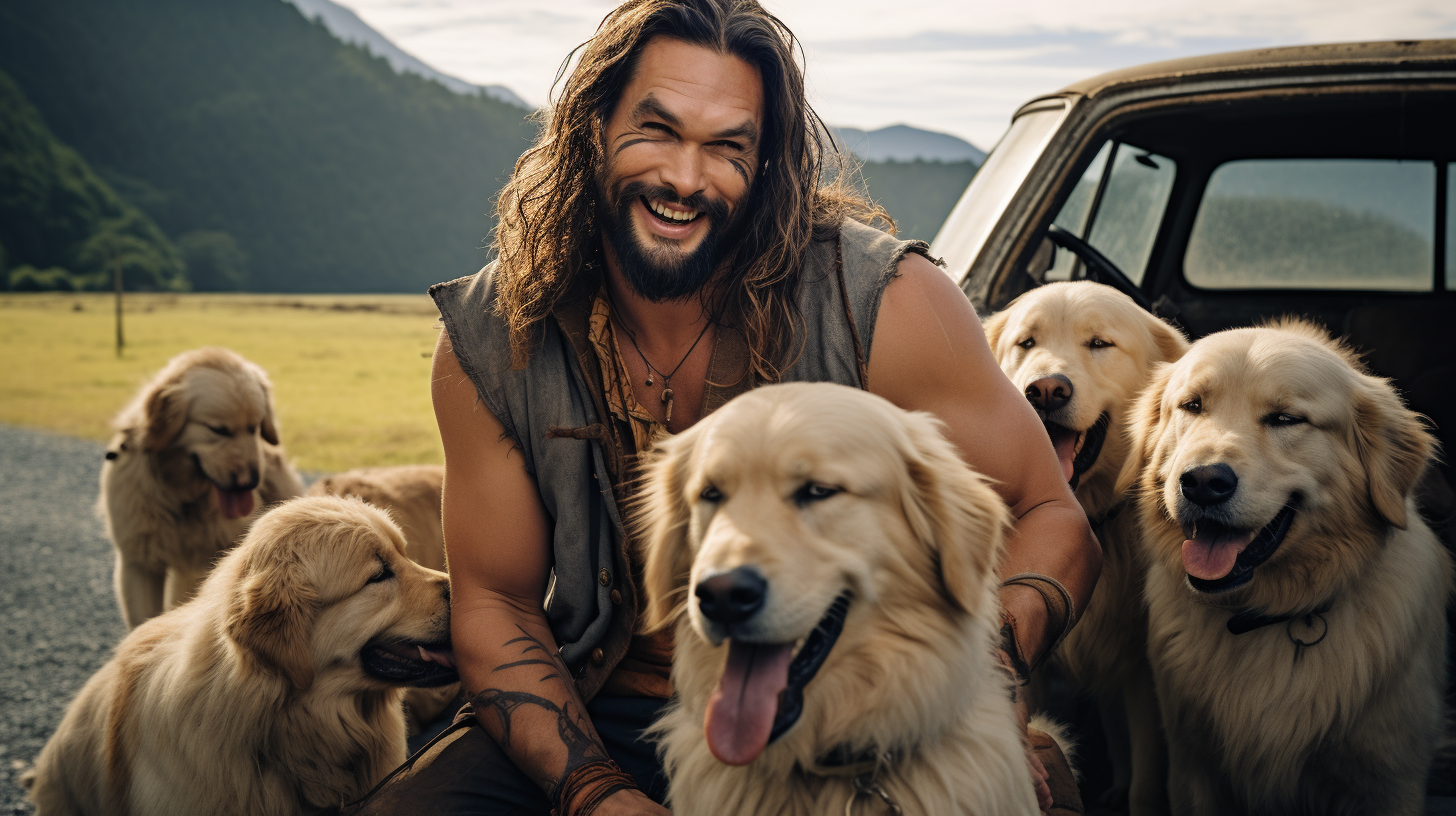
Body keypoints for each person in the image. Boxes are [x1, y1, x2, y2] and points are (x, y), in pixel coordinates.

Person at [348, 1, 1099, 814]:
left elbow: (1046, 511)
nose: (684, 178)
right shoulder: (492, 337)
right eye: (658, 130)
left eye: (726, 147)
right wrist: (596, 794)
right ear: (592, 127)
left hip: (854, 700)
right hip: (596, 704)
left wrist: (984, 674)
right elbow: (496, 601)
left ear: (768, 163)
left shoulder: (887, 299)